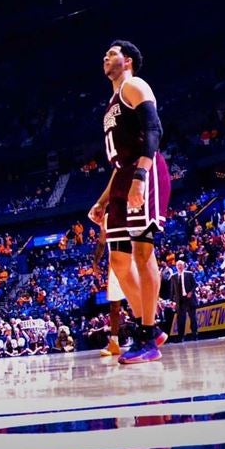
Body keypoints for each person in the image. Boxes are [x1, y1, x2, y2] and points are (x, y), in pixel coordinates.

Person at [88, 40, 171, 365]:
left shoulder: (134, 85)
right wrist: (102, 201)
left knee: (141, 251)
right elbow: (117, 162)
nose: (106, 57)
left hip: (143, 171)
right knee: (119, 263)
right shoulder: (111, 103)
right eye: (105, 53)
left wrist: (140, 177)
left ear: (128, 60)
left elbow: (154, 129)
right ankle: (152, 326)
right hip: (122, 176)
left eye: (112, 53)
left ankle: (147, 336)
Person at [94, 220, 126, 357]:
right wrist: (95, 261)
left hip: (129, 256)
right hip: (114, 261)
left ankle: (152, 333)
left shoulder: (130, 210)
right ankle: (114, 342)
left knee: (137, 299)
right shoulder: (107, 218)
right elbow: (101, 243)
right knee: (114, 305)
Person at [169, 260, 199, 342]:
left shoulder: (189, 274)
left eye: (181, 265)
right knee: (180, 319)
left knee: (193, 317)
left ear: (184, 265)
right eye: (178, 265)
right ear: (176, 266)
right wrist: (172, 300)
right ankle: (180, 337)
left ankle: (194, 335)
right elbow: (172, 290)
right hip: (180, 300)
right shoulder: (173, 276)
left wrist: (191, 292)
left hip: (189, 299)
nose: (179, 266)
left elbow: (195, 284)